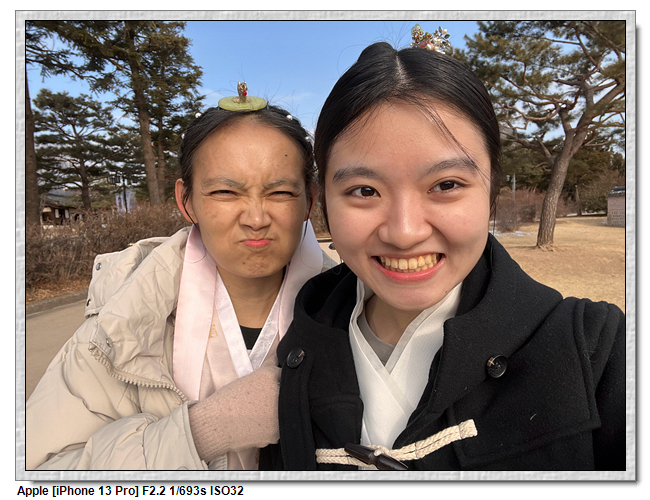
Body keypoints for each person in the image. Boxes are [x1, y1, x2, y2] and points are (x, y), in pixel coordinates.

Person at [262, 33, 626, 471]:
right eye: (364, 190)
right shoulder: (290, 343)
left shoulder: (600, 353)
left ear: (491, 189)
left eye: (446, 185)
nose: (404, 233)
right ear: (323, 202)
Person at [26, 89, 336, 470]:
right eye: (225, 192)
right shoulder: (121, 326)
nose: (256, 218)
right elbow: (40, 472)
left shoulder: (357, 310)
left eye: (281, 192)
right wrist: (202, 432)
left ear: (309, 200)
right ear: (186, 200)